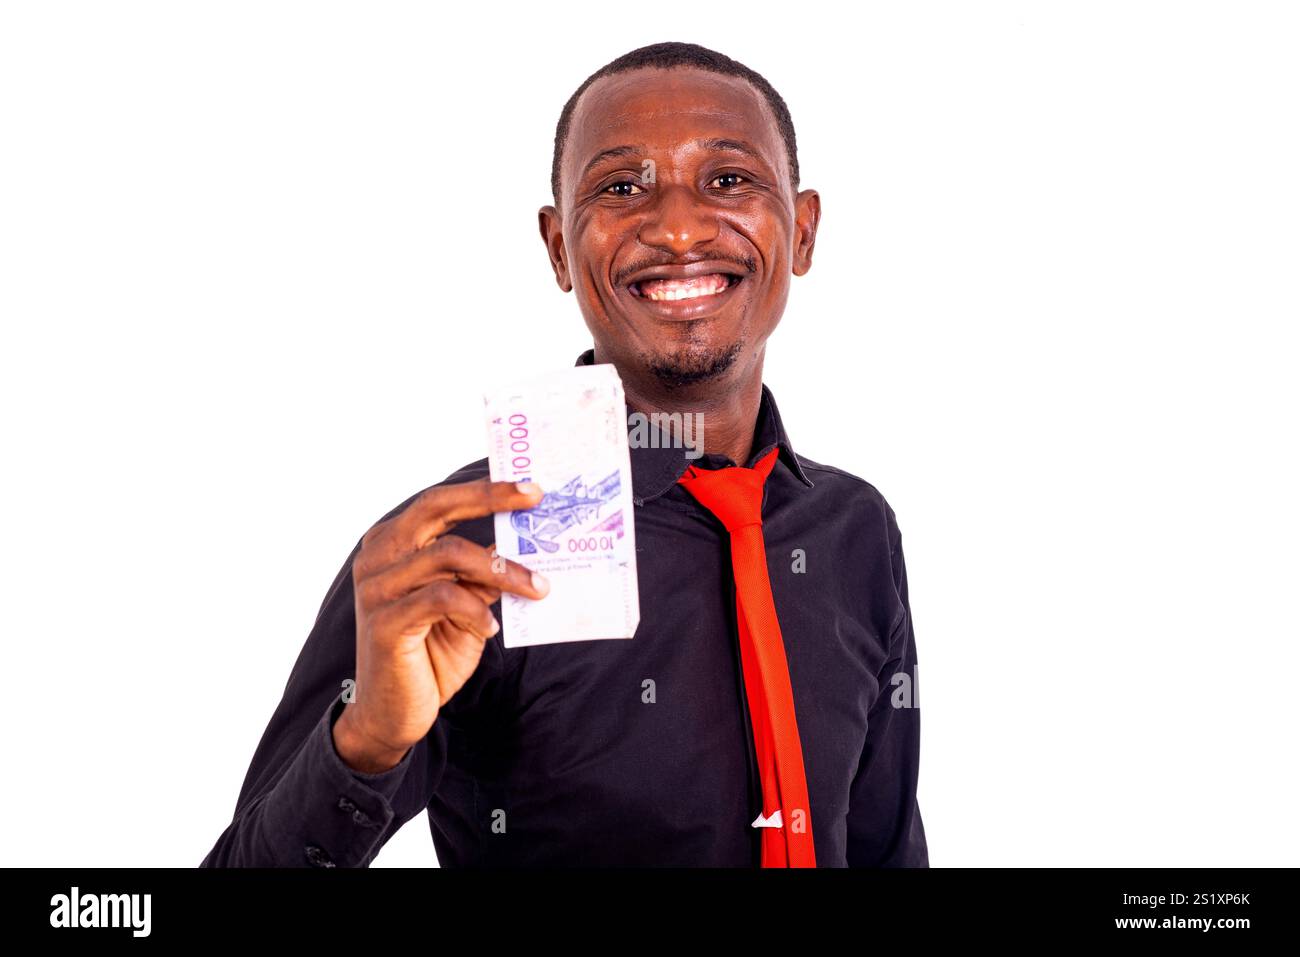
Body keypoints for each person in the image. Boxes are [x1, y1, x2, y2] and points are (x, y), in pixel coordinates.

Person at [201, 41, 928, 868]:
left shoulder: (857, 532)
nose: (680, 226)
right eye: (621, 188)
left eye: (728, 180)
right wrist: (365, 742)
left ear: (801, 231)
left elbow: (886, 845)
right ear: (558, 250)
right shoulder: (461, 550)